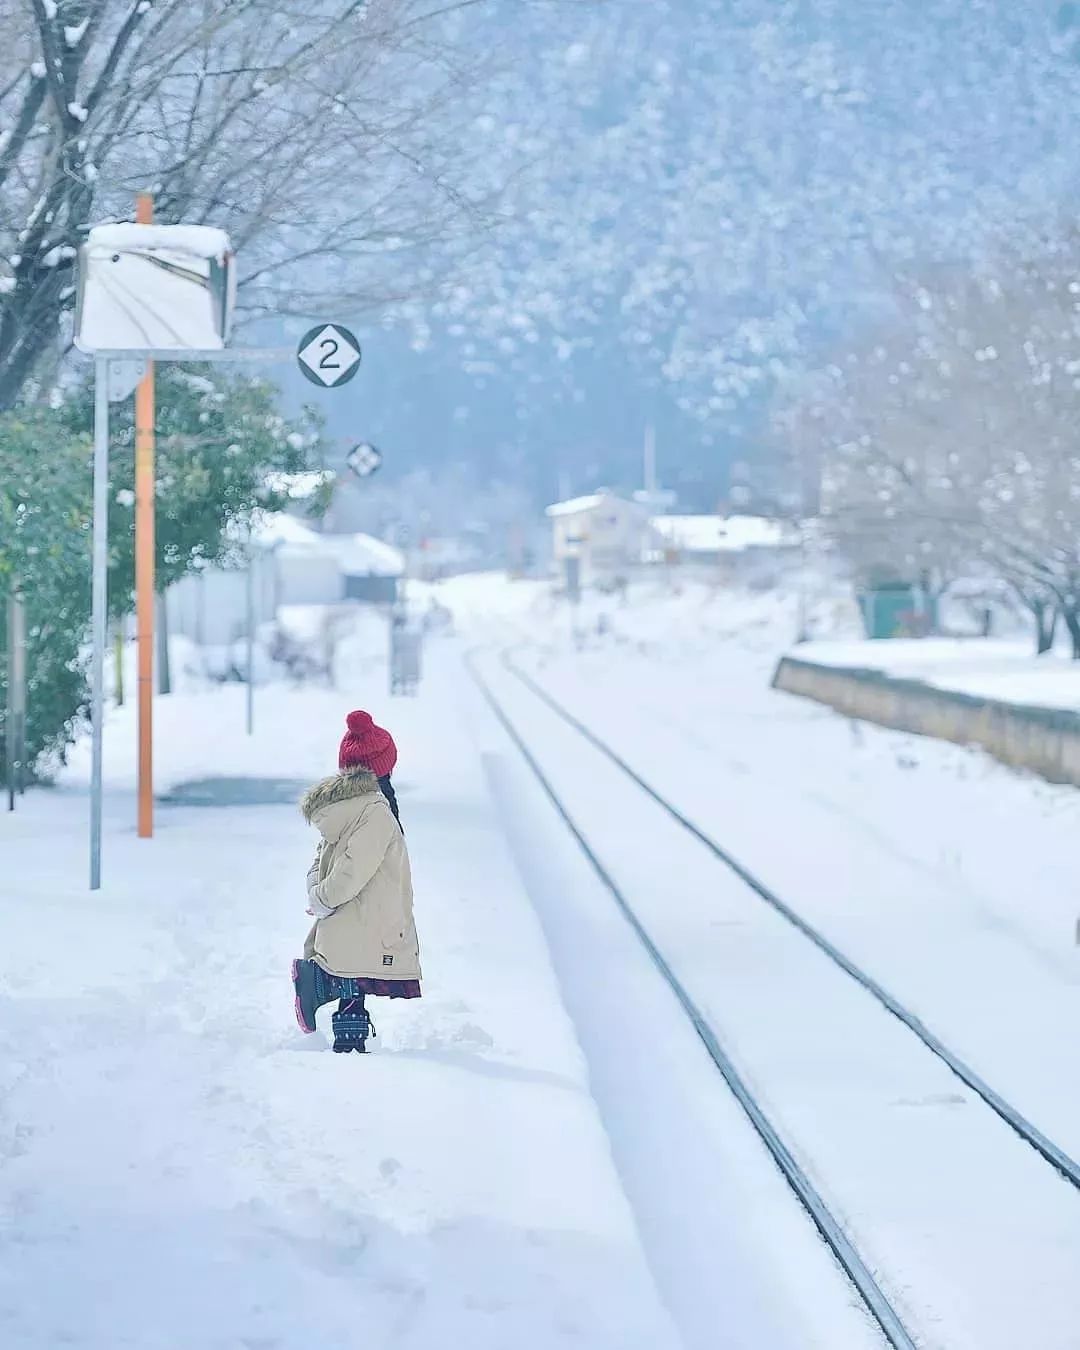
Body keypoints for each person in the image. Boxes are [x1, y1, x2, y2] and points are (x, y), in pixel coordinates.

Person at [291, 710, 421, 1053]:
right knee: (356, 973)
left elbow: (321, 858)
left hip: (350, 918)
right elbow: (352, 869)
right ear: (382, 768)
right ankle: (342, 1032)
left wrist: (316, 891)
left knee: (352, 976)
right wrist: (324, 898)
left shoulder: (344, 808)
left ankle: (330, 1006)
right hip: (362, 914)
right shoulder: (375, 811)